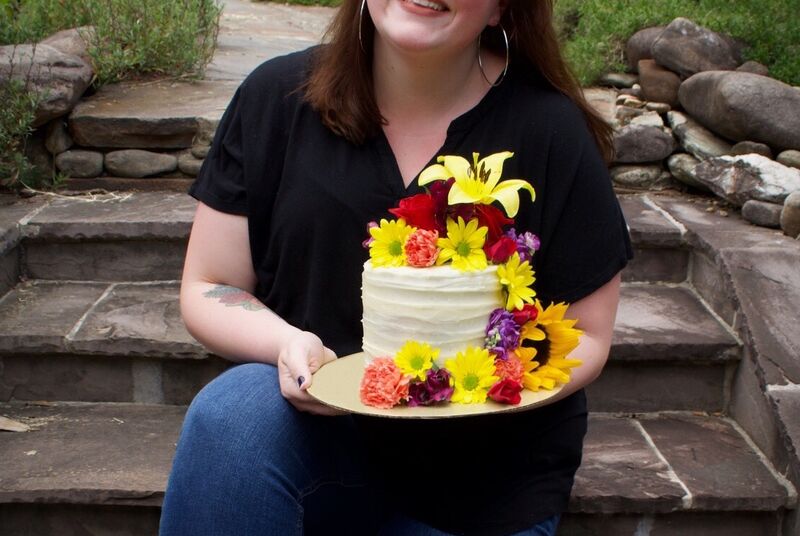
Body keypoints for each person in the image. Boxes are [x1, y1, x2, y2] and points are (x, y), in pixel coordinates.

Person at [159, 0, 632, 534]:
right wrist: (288, 345)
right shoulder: (277, 98)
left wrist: (483, 388)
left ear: (501, 8)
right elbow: (211, 284)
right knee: (231, 415)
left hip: (483, 483)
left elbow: (587, 334)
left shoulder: (549, 129)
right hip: (313, 446)